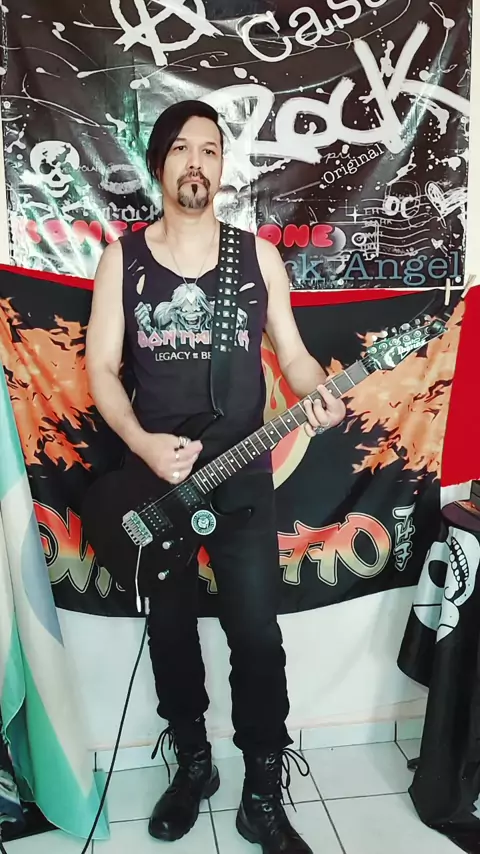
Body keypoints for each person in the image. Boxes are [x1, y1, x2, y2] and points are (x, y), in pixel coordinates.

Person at [85, 100, 346, 854]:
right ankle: (193, 765)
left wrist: (317, 392)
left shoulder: (256, 257)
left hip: (243, 481)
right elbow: (100, 369)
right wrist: (141, 443)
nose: (196, 163)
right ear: (159, 164)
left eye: (209, 150)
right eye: (181, 149)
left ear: (222, 167)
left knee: (256, 635)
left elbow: (293, 356)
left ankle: (262, 791)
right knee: (168, 631)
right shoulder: (122, 260)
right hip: (156, 482)